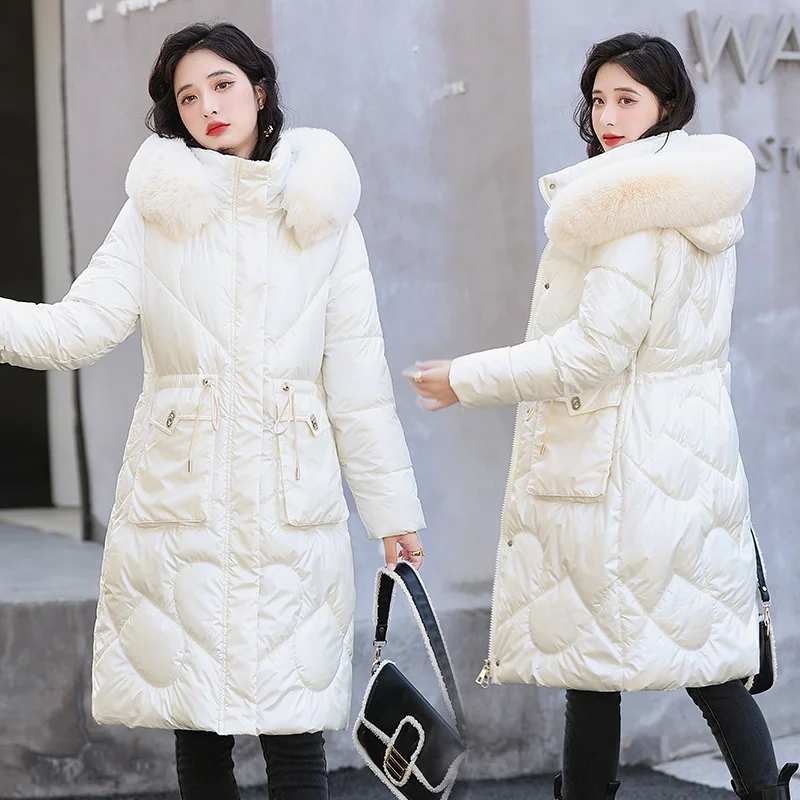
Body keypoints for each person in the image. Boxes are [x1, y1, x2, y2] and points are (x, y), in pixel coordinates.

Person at [0, 22, 425, 800]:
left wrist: (392, 511)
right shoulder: (156, 212)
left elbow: (358, 381)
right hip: (182, 500)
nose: (208, 107)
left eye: (222, 85)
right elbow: (75, 330)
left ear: (259, 89)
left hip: (291, 501)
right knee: (198, 728)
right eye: (188, 96)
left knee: (295, 729)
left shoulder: (323, 212)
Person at [407, 32, 795, 800]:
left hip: (622, 463)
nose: (608, 117)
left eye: (628, 99)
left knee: (618, 663)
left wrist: (465, 378)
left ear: (666, 105)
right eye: (598, 100)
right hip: (687, 454)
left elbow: (591, 353)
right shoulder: (697, 200)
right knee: (687, 657)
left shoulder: (628, 208)